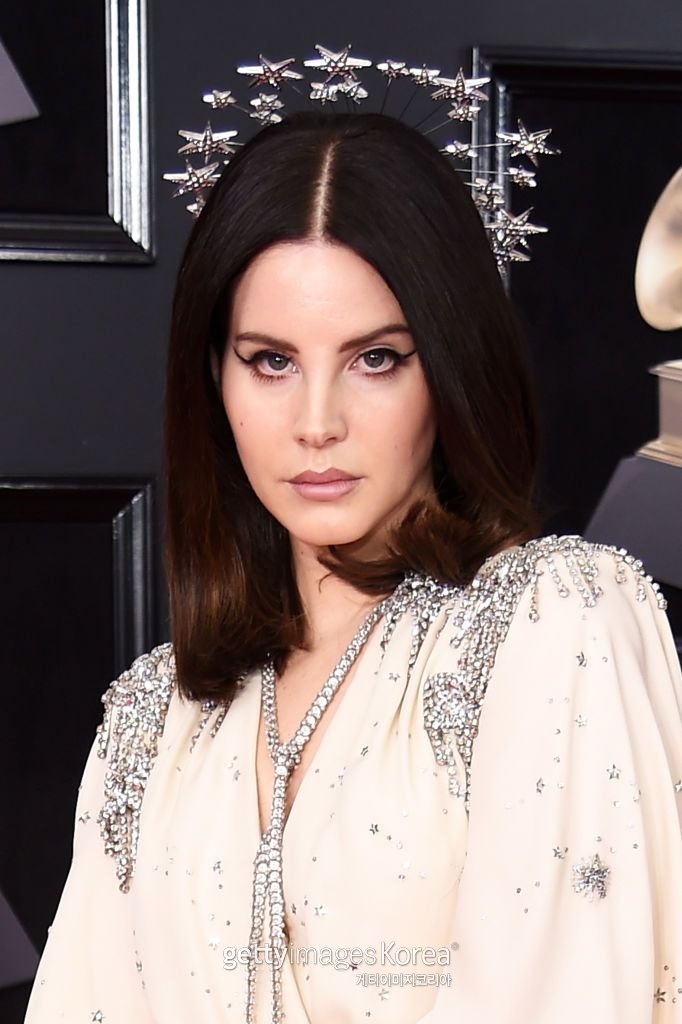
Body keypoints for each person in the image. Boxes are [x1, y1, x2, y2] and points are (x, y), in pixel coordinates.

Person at [23, 109, 682, 1024]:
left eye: (375, 359)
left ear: (446, 366)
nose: (317, 423)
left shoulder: (552, 625)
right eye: (271, 361)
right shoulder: (153, 719)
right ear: (214, 375)